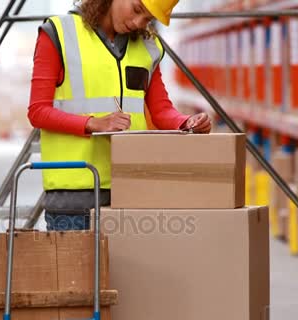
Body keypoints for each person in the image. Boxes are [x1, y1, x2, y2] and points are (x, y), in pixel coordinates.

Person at [27, 0, 212, 231]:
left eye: (147, 19)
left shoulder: (147, 47)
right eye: (136, 10)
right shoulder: (59, 34)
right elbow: (38, 111)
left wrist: (186, 122)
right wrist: (94, 123)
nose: (137, 23)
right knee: (82, 268)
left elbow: (161, 110)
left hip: (131, 190)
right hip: (75, 197)